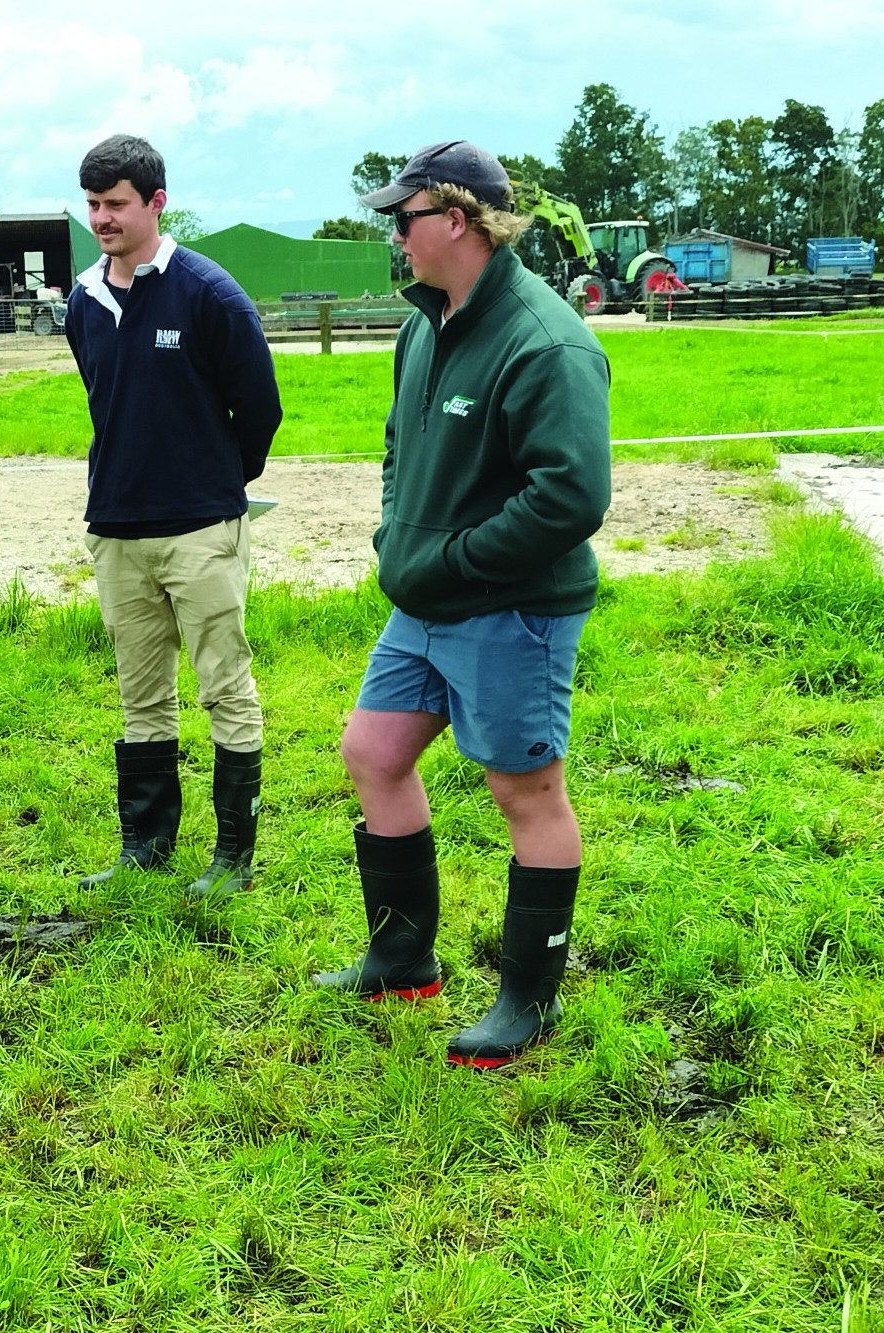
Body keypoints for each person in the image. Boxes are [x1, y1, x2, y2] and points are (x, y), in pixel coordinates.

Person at [314, 143, 611, 1068]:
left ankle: (530, 999)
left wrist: (451, 560)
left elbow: (570, 498)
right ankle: (404, 958)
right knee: (371, 750)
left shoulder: (546, 340)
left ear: (457, 219)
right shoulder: (426, 322)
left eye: (401, 218)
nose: (391, 235)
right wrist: (396, 536)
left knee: (526, 791)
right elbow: (401, 444)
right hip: (427, 599)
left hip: (512, 608)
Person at [64, 135, 282, 899]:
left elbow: (260, 407)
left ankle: (232, 858)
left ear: (157, 202)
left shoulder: (208, 294)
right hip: (117, 527)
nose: (102, 219)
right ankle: (146, 846)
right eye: (92, 204)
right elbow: (105, 399)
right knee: (140, 692)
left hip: (199, 527)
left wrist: (214, 481)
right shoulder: (84, 299)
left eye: (116, 203)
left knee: (225, 684)